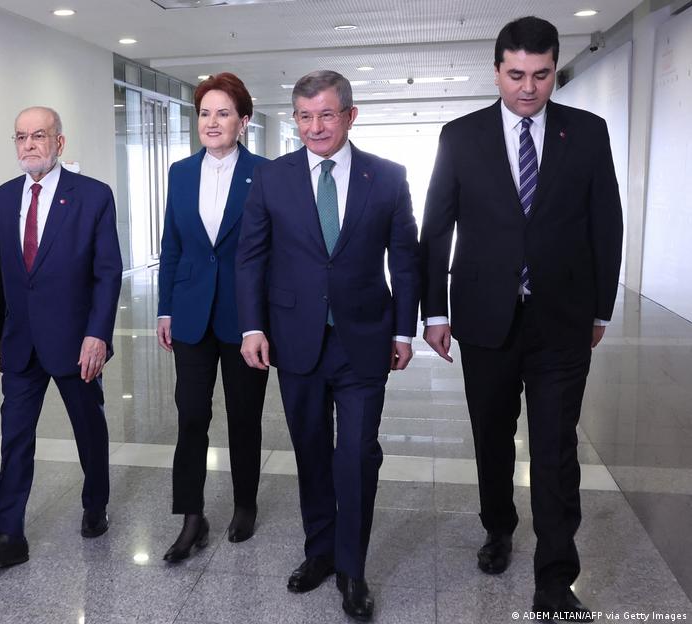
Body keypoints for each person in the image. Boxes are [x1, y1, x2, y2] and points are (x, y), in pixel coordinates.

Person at [420, 16, 622, 621]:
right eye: (516, 75)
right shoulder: (461, 137)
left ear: (554, 69)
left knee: (556, 446)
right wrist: (434, 311)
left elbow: (606, 222)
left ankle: (555, 579)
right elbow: (436, 230)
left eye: (541, 74)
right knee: (491, 435)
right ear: (496, 72)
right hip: (485, 318)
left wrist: (601, 307)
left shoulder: (587, 133)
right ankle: (499, 526)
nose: (528, 88)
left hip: (562, 318)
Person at [236, 70, 419, 622]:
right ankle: (319, 551)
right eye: (304, 116)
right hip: (295, 340)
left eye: (326, 115)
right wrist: (252, 327)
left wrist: (403, 330)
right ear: (295, 118)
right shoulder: (272, 178)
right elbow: (251, 257)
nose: (315, 127)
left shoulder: (386, 177)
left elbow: (405, 260)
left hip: (364, 338)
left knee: (357, 454)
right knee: (311, 449)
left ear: (350, 115)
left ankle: (352, 569)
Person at [0, 106, 123, 567]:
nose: (29, 145)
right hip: (20, 341)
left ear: (59, 142)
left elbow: (107, 272)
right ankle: (8, 534)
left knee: (88, 429)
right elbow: (3, 271)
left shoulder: (93, 196)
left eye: (39, 135)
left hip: (75, 341)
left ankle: (95, 504)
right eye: (21, 137)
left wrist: (97, 335)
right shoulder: (3, 196)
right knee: (15, 436)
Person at [156, 72, 270, 562]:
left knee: (244, 416)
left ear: (243, 120)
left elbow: (273, 251)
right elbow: (172, 244)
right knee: (191, 416)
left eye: (223, 113)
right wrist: (165, 307)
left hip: (245, 318)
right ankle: (191, 515)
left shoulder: (266, 173)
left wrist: (264, 319)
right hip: (190, 313)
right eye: (205, 113)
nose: (212, 122)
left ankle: (245, 504)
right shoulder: (180, 172)